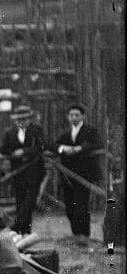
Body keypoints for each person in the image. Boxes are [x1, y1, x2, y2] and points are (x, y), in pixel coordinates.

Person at [54, 103, 104, 244]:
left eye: (77, 115)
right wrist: (63, 149)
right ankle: (76, 234)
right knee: (70, 207)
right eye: (71, 115)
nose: (74, 117)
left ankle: (84, 235)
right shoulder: (65, 135)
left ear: (83, 116)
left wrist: (79, 148)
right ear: (68, 117)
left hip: (84, 175)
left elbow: (98, 144)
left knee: (81, 205)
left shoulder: (90, 131)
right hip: (67, 175)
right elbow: (54, 146)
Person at [0, 105, 46, 236]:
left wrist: (25, 151)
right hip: (18, 172)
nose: (22, 122)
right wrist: (13, 153)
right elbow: (3, 149)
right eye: (19, 119)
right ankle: (24, 232)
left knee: (29, 201)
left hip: (34, 171)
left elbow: (41, 147)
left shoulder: (36, 130)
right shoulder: (10, 132)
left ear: (30, 119)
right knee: (20, 200)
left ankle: (16, 226)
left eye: (25, 119)